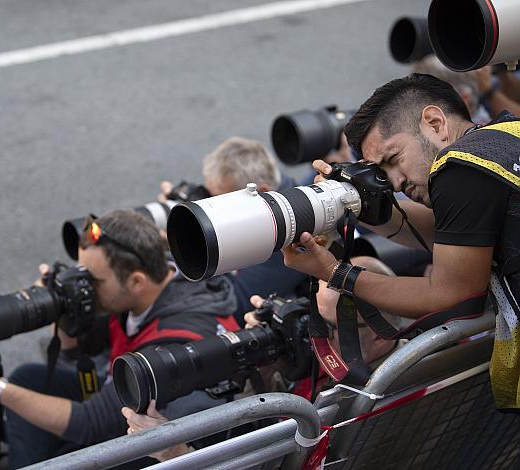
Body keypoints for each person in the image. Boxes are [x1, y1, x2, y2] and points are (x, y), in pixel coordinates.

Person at [283, 73, 519, 411]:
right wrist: (357, 202)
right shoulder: (507, 136)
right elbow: (455, 233)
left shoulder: (460, 168)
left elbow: (453, 295)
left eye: (393, 159)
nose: (393, 182)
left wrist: (334, 272)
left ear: (435, 123)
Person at [0, 209, 239, 468]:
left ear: (136, 281)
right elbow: (73, 351)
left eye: (92, 281)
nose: (84, 287)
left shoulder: (173, 340)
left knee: (56, 424)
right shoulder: (149, 283)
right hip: (124, 389)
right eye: (80, 273)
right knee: (29, 378)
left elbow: (90, 424)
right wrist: (59, 305)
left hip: (155, 435)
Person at [123, 256, 407, 462]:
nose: (313, 334)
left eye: (328, 327)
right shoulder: (352, 360)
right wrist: (264, 367)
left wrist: (176, 455)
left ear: (381, 334)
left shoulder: (377, 402)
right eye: (311, 316)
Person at [160, 137, 308, 321]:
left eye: (217, 198)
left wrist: (187, 246)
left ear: (259, 193)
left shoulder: (289, 240)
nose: (210, 206)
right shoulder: (270, 194)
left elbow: (234, 305)